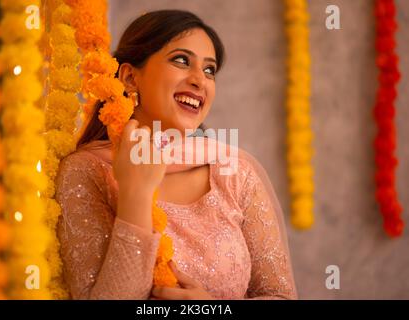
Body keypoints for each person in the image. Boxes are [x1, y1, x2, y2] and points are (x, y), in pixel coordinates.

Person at [55, 9, 297, 300]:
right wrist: (136, 194)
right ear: (130, 77)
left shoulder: (234, 174)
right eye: (181, 60)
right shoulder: (86, 172)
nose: (200, 80)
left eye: (209, 70)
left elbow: (279, 296)